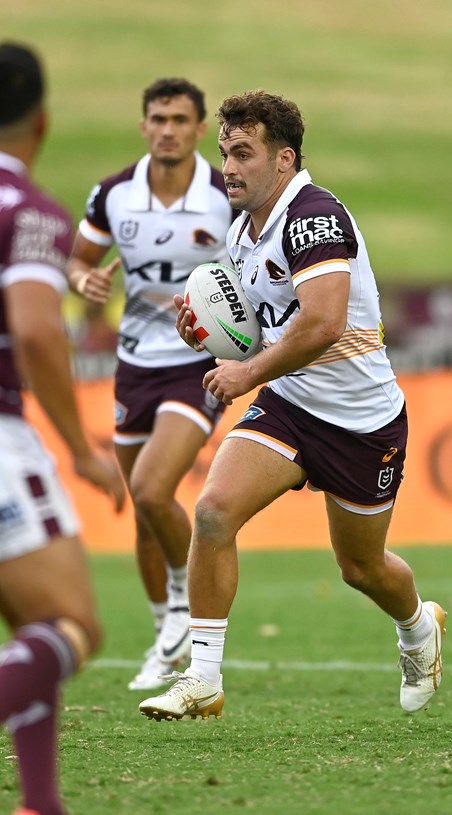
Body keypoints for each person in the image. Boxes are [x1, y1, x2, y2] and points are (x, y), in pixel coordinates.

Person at [138, 90, 446, 723]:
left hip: (361, 420)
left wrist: (247, 370)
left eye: (243, 153)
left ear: (284, 159)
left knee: (361, 568)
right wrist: (204, 325)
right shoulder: (243, 229)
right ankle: (202, 678)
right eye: (224, 151)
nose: (228, 165)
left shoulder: (314, 216)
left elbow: (323, 323)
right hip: (290, 406)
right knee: (215, 511)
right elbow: (255, 323)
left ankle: (418, 628)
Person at [67, 78, 237, 691]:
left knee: (150, 486)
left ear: (198, 130)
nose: (167, 129)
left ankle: (188, 610)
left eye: (180, 119)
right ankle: (166, 634)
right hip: (134, 364)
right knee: (145, 509)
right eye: (157, 118)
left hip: (199, 365)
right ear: (144, 126)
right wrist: (82, 282)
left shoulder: (225, 194)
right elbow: (79, 260)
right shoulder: (114, 195)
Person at [0, 42, 126, 815]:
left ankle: (43, 812)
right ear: (42, 119)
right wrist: (81, 448)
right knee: (72, 623)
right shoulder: (30, 212)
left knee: (29, 626)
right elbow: (38, 331)